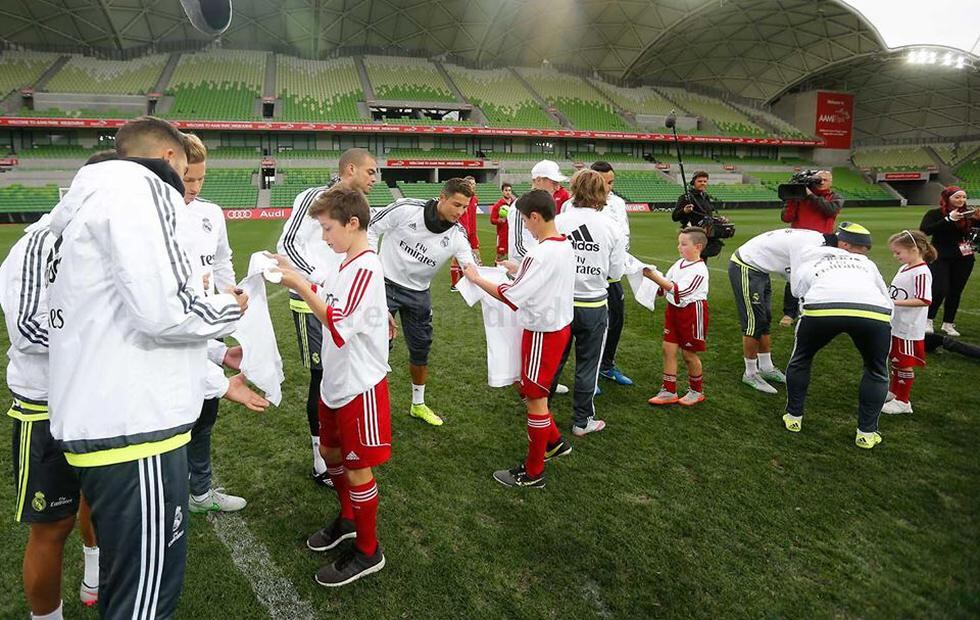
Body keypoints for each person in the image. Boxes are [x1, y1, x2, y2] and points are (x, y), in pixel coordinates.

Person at [46, 117, 249, 618]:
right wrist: (231, 306)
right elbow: (165, 311)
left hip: (100, 418)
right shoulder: (143, 192)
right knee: (145, 600)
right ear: (169, 158)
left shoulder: (86, 202)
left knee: (125, 587)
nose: (187, 187)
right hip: (136, 428)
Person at [273, 187, 391, 586]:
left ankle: (368, 550)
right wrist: (296, 273)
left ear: (352, 223)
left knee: (359, 469)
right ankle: (347, 518)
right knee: (330, 451)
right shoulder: (346, 263)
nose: (324, 237)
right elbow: (329, 293)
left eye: (327, 229)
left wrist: (300, 286)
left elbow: (338, 321)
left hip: (361, 384)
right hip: (336, 381)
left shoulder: (365, 267)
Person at [1, 211, 100, 618]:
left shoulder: (120, 237)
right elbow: (25, 329)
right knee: (52, 526)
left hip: (98, 400)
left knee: (95, 500)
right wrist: (98, 343)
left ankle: (94, 571)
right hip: (46, 405)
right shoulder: (39, 243)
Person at [277, 148, 378, 486]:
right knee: (321, 377)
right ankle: (322, 459)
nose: (375, 179)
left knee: (344, 374)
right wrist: (316, 281)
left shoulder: (361, 209)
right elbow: (287, 244)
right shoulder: (313, 197)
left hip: (346, 303)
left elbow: (366, 258)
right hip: (312, 302)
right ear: (350, 169)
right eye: (371, 172)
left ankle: (343, 450)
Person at [462, 189, 575, 488]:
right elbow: (541, 280)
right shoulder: (562, 245)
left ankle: (533, 471)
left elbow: (510, 296)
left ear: (535, 217)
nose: (525, 226)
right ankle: (555, 443)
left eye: (525, 221)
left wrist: (477, 279)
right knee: (529, 390)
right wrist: (518, 269)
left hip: (543, 332)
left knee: (534, 398)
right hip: (556, 327)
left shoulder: (539, 252)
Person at [369, 178, 479, 426]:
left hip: (419, 294)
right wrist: (371, 267)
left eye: (465, 207)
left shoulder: (457, 234)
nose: (460, 212)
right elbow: (371, 227)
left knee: (420, 350)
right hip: (383, 285)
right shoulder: (406, 208)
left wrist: (482, 278)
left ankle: (417, 404)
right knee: (375, 347)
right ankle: (371, 404)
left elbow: (469, 265)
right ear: (442, 197)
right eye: (456, 204)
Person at [180, 133, 247, 513]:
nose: (194, 187)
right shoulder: (153, 220)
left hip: (205, 331)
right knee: (174, 422)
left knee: (205, 415)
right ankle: (170, 495)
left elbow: (222, 261)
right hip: (171, 335)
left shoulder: (211, 213)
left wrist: (231, 295)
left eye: (200, 179)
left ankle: (200, 492)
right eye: (188, 178)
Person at [782, 223, 893, 450]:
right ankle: (866, 434)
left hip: (821, 309)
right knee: (876, 370)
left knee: (801, 358)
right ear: (844, 244)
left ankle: (793, 418)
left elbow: (796, 291)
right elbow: (885, 295)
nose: (863, 251)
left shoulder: (810, 259)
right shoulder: (867, 263)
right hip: (873, 312)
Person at [553, 170, 626, 435]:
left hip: (560, 303)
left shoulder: (558, 221)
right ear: (602, 193)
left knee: (554, 361)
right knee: (588, 364)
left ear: (574, 189)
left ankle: (541, 412)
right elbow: (615, 273)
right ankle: (581, 421)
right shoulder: (611, 227)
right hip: (593, 306)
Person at [728, 227, 828, 393]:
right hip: (746, 266)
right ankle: (751, 373)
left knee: (765, 319)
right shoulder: (807, 245)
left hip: (761, 270)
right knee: (754, 322)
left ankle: (766, 368)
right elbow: (795, 282)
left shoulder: (815, 240)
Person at [644, 228, 710, 407]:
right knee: (668, 349)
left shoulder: (700, 270)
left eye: (683, 244)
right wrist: (655, 284)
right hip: (673, 310)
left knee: (689, 354)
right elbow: (668, 281)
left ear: (698, 247)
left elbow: (680, 290)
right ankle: (669, 390)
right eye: (679, 243)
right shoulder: (680, 263)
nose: (679, 247)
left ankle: (696, 391)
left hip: (692, 312)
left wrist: (654, 277)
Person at [881, 230, 937, 415]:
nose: (895, 256)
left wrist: (893, 302)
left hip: (908, 327)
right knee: (895, 359)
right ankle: (894, 392)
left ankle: (903, 402)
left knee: (904, 362)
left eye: (898, 252)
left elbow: (924, 299)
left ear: (914, 249)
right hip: (897, 323)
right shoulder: (905, 267)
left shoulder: (921, 272)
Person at [778, 170, 843, 326]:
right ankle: (789, 312)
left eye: (825, 179)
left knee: (822, 276)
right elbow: (786, 218)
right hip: (798, 240)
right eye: (819, 179)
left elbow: (830, 210)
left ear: (831, 182)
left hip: (823, 240)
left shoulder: (835, 197)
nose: (822, 182)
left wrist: (810, 195)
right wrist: (792, 199)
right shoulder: (801, 195)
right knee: (794, 276)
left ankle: (820, 307)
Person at [591, 161, 634, 387]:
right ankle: (591, 372)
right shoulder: (576, 205)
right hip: (589, 277)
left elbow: (624, 236)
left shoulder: (617, 203)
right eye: (605, 182)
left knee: (616, 320)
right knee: (590, 327)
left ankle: (607, 366)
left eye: (611, 182)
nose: (609, 187)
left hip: (614, 275)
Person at [920, 186, 977, 336]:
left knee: (955, 291)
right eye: (957, 197)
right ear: (947, 198)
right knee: (939, 289)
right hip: (940, 255)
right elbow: (925, 230)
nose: (961, 200)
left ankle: (948, 324)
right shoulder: (935, 213)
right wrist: (948, 219)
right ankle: (928, 320)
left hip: (964, 257)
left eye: (964, 197)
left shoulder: (969, 215)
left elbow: (974, 234)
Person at [508, 160, 570, 261]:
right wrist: (545, 263)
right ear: (538, 180)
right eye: (554, 182)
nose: (557, 187)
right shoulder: (522, 205)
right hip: (525, 272)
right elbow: (518, 248)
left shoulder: (545, 204)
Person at [671, 170, 728, 260]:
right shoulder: (686, 197)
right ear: (694, 182)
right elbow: (674, 217)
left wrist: (719, 219)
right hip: (691, 235)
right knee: (690, 262)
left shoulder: (705, 197)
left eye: (705, 181)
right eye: (700, 181)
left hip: (705, 235)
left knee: (702, 261)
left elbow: (707, 216)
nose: (703, 183)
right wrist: (684, 211)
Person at [450, 175, 481, 291]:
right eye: (470, 185)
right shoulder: (461, 199)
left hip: (471, 231)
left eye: (474, 185)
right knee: (456, 257)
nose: (473, 187)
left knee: (472, 256)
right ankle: (454, 284)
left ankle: (464, 282)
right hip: (460, 231)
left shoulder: (475, 199)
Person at [489, 183, 514, 261]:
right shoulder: (498, 205)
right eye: (506, 190)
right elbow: (492, 220)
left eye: (509, 190)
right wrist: (499, 221)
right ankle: (497, 270)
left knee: (514, 255)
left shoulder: (515, 204)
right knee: (500, 255)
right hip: (502, 234)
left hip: (513, 234)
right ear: (502, 192)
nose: (508, 192)